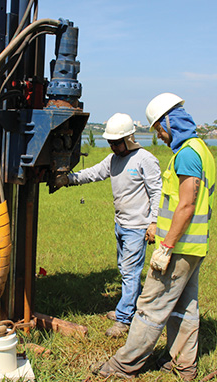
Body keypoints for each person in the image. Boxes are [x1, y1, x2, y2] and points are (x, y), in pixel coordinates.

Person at [95, 93, 216, 381]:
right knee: (184, 308)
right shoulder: (201, 149)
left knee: (149, 306)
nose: (160, 137)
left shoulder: (187, 154)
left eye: (160, 130)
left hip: (178, 247)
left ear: (170, 122)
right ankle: (183, 365)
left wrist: (166, 246)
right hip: (194, 248)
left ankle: (124, 365)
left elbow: (186, 204)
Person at [55, 112, 162, 337]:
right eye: (110, 143)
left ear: (129, 139)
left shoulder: (145, 159)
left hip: (137, 228)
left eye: (116, 143)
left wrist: (154, 222)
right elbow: (94, 173)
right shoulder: (113, 160)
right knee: (125, 270)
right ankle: (134, 309)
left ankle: (123, 320)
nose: (113, 147)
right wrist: (69, 179)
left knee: (131, 272)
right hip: (121, 225)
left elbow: (156, 192)